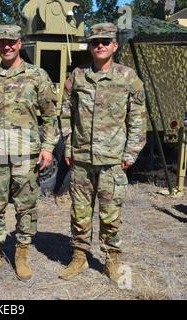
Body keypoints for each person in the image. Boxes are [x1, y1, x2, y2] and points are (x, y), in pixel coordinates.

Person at [0, 25, 58, 281]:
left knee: (25, 207)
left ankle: (21, 255)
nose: (6, 46)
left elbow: (51, 116)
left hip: (25, 154)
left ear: (20, 43)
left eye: (11, 42)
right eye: (1, 42)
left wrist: (48, 148)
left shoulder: (37, 76)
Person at [59, 23, 147, 282]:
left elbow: (138, 119)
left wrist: (130, 153)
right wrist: (68, 144)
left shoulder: (127, 77)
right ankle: (79, 257)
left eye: (105, 41)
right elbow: (65, 113)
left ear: (114, 45)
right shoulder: (77, 76)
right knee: (79, 211)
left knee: (111, 213)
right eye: (95, 41)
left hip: (112, 161)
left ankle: (111, 259)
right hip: (82, 159)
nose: (100, 45)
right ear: (89, 45)